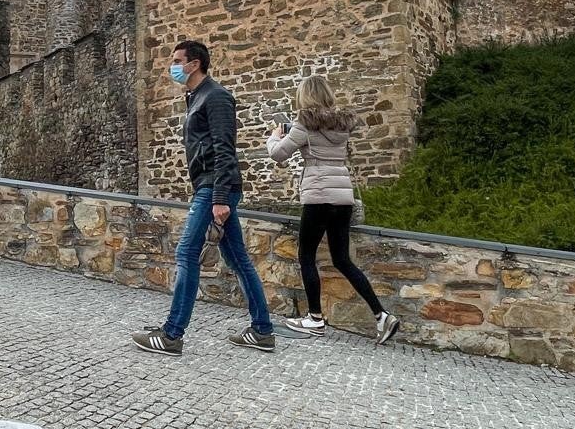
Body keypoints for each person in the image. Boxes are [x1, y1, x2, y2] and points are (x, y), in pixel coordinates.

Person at [131, 40, 276, 356]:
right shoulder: (196, 97)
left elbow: (225, 148)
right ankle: (262, 330)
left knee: (186, 253)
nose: (174, 67)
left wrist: (220, 197)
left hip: (215, 188)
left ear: (194, 63)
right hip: (209, 187)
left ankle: (171, 335)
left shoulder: (217, 97)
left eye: (177, 61)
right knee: (237, 258)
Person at [267, 75, 400, 345]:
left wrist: (273, 137)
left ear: (304, 96)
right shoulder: (342, 125)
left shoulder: (304, 123)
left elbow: (279, 154)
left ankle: (315, 318)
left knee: (306, 255)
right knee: (342, 259)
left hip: (318, 196)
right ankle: (381, 314)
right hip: (343, 197)